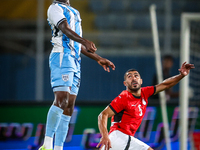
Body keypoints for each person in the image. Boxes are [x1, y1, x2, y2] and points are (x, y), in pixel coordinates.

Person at [39, 0, 115, 150]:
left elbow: (77, 44)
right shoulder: (54, 8)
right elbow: (64, 28)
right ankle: (47, 144)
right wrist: (85, 40)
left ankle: (59, 147)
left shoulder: (74, 11)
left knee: (69, 106)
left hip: (74, 60)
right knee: (61, 99)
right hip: (62, 56)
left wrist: (98, 58)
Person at [97, 62, 194, 150]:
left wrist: (181, 75)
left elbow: (165, 85)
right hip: (118, 137)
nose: (134, 78)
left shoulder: (145, 92)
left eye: (136, 76)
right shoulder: (124, 97)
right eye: (129, 77)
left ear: (141, 81)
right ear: (125, 83)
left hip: (123, 140)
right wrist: (105, 136)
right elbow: (103, 115)